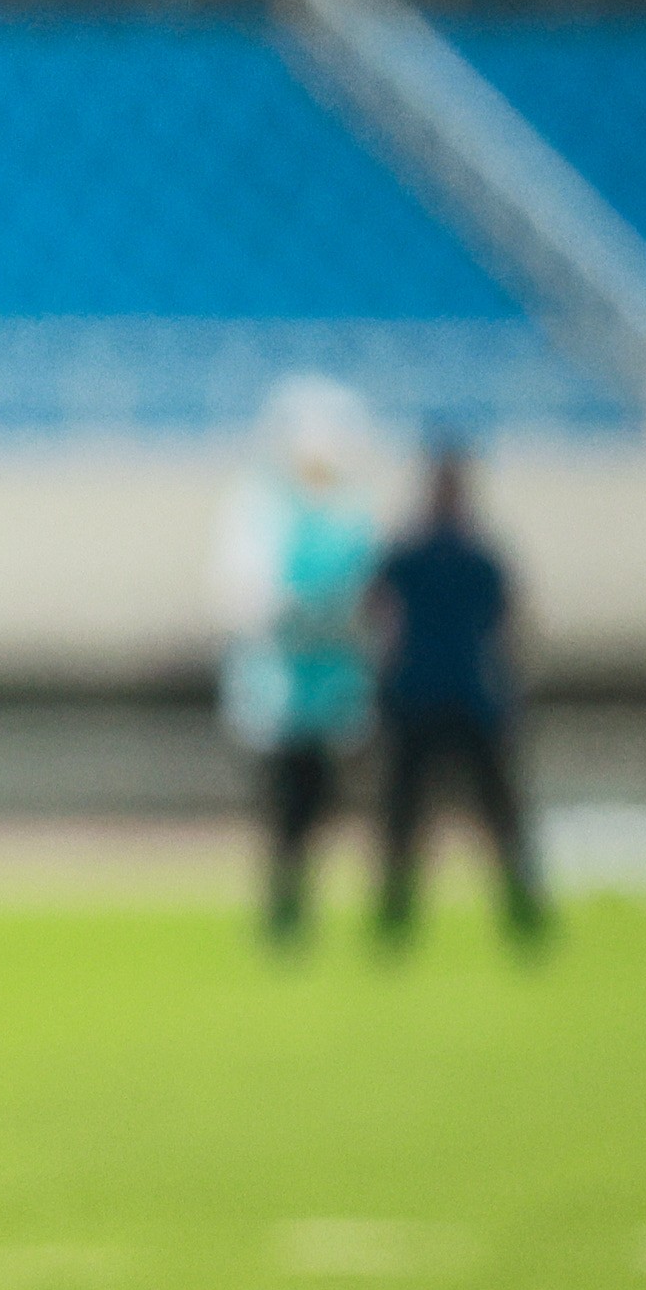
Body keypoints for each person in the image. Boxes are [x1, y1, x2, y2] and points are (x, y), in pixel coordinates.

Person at [208, 377, 383, 949]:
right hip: (278, 690)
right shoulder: (259, 509)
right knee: (285, 805)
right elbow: (244, 597)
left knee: (325, 802)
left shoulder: (353, 514)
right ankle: (285, 907)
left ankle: (304, 901)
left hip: (335, 690)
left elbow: (372, 600)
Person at [371, 446, 549, 949]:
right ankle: (520, 910)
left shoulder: (413, 553)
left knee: (412, 813)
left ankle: (397, 916)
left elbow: (374, 611)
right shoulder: (475, 554)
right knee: (491, 812)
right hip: (462, 695)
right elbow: (511, 624)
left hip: (427, 694)